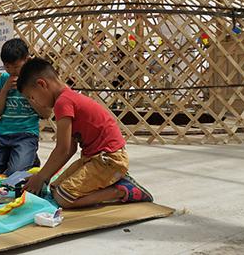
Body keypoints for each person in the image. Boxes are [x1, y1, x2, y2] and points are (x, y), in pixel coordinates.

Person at [17, 58, 153, 208]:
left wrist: (41, 176)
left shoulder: (63, 103)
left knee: (63, 198)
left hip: (109, 159)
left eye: (32, 97)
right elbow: (70, 149)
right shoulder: (67, 98)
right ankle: (111, 181)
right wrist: (43, 178)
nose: (34, 102)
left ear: (42, 84)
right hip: (94, 158)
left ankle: (121, 190)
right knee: (55, 189)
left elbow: (62, 149)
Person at [0, 39, 50, 177]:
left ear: (27, 60)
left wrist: (26, 93)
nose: (12, 71)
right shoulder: (5, 78)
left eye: (16, 67)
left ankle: (30, 158)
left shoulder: (36, 81)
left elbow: (46, 113)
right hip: (3, 135)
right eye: (7, 67)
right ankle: (15, 156)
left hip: (26, 135)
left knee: (15, 175)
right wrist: (4, 89)